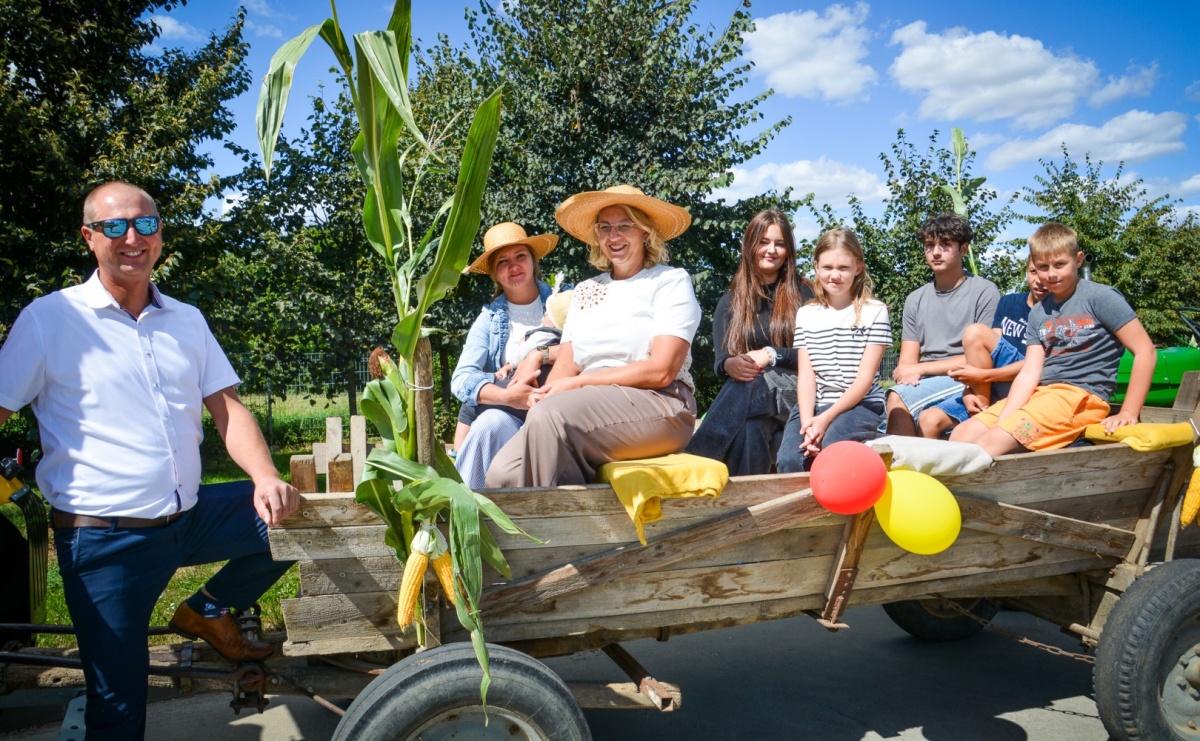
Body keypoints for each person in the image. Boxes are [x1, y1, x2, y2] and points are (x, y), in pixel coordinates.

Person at [0, 182, 299, 739]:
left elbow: (227, 409)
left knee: (305, 517)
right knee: (118, 707)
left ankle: (208, 610)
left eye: (145, 224)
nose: (131, 237)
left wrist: (265, 476)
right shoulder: (49, 320)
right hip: (106, 542)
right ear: (89, 238)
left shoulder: (185, 319)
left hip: (189, 517)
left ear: (161, 235)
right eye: (114, 227)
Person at [485, 185, 701, 487]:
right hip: (588, 403)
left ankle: (555, 529)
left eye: (625, 226)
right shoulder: (587, 290)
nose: (614, 236)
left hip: (660, 404)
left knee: (552, 418)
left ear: (645, 233)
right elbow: (567, 364)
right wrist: (545, 393)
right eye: (605, 228)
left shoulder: (669, 281)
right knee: (500, 473)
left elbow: (661, 370)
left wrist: (579, 383)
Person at [950, 223, 1157, 456]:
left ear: (1078, 260)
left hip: (1082, 397)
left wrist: (1129, 412)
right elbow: (1030, 372)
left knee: (989, 444)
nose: (1051, 274)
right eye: (1042, 267)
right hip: (1043, 394)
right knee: (961, 436)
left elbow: (1145, 351)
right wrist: (1004, 419)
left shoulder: (1100, 297)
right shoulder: (1039, 312)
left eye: (1060, 264)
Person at [685, 210, 814, 475]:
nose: (771, 250)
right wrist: (730, 364)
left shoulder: (805, 293)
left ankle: (695, 460)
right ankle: (746, 510)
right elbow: (720, 361)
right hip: (756, 401)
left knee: (759, 380)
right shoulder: (730, 302)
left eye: (779, 244)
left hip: (803, 394)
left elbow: (816, 354)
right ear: (749, 245)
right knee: (749, 430)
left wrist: (772, 354)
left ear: (788, 250)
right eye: (764, 242)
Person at [449, 222, 560, 488]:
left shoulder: (564, 300)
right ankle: (464, 512)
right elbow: (462, 379)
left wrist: (539, 354)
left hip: (558, 401)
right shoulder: (488, 319)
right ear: (494, 274)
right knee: (489, 422)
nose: (513, 267)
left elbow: (589, 346)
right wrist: (508, 397)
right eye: (503, 262)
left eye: (520, 256)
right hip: (512, 415)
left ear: (533, 260)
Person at [777, 228, 892, 471]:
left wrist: (825, 420)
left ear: (858, 268)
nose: (835, 275)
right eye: (828, 267)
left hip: (860, 404)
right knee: (790, 460)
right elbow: (807, 376)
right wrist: (809, 422)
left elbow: (864, 379)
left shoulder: (874, 311)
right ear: (816, 267)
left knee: (831, 450)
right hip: (816, 404)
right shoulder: (807, 314)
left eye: (843, 268)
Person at [886, 213, 1000, 437]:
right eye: (929, 245)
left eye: (946, 244)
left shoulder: (985, 292)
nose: (936, 252)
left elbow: (984, 358)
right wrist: (908, 372)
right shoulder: (915, 299)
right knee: (899, 397)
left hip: (967, 379)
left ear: (963, 249)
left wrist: (920, 369)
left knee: (897, 398)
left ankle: (903, 467)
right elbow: (907, 362)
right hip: (927, 381)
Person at [916, 257, 1050, 439]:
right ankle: (980, 407)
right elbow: (990, 350)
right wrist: (968, 391)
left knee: (975, 332)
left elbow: (1037, 366)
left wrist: (981, 376)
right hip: (994, 385)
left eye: (1044, 272)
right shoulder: (1009, 303)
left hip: (1030, 384)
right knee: (928, 419)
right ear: (1026, 271)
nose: (1039, 280)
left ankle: (981, 417)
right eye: (1033, 272)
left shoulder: (1055, 312)